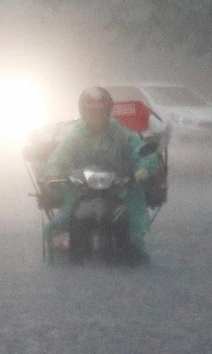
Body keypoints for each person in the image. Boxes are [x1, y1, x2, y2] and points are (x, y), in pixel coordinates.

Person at [43, 86, 159, 263]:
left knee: (133, 233)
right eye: (91, 111)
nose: (96, 115)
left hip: (119, 192)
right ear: (83, 111)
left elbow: (140, 150)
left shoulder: (118, 131)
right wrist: (53, 173)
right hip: (80, 192)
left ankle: (132, 253)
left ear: (108, 110)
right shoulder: (76, 134)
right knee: (58, 226)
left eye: (100, 111)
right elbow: (58, 158)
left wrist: (144, 168)